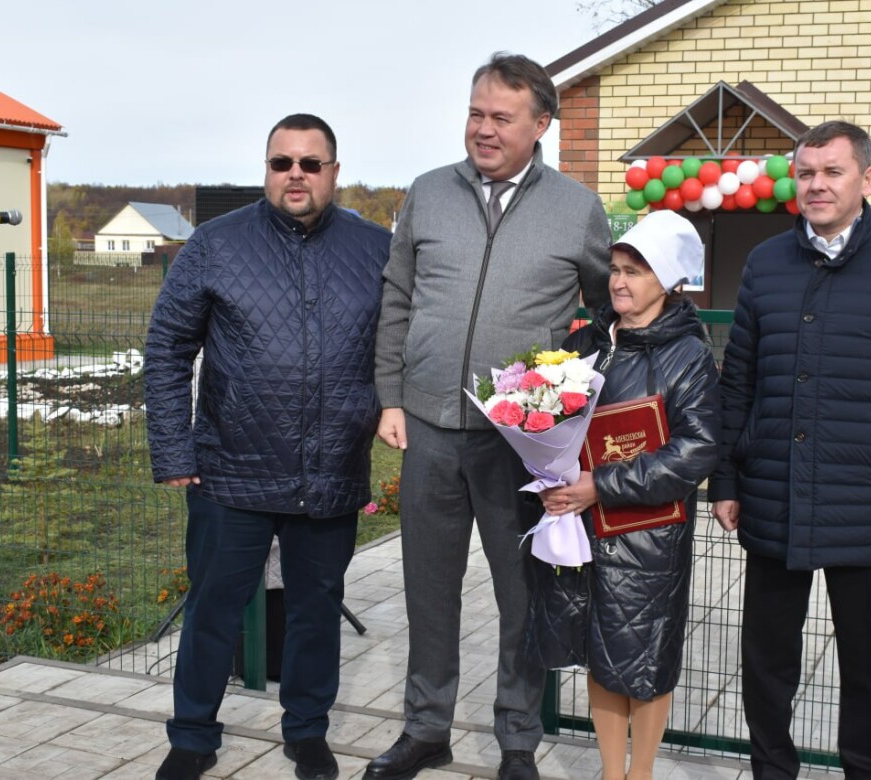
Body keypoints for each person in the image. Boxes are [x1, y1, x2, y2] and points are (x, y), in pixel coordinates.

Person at [369, 52, 611, 780]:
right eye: (476, 113)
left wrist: (565, 393)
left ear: (541, 125)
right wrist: (390, 395)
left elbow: (608, 309)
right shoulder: (428, 193)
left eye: (501, 118)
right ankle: (425, 729)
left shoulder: (577, 209)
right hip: (428, 427)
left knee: (522, 595)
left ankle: (517, 740)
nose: (483, 129)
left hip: (521, 445)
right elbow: (397, 297)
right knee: (429, 590)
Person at [708, 120, 871, 779]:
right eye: (806, 173)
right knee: (766, 662)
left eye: (832, 171)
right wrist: (726, 481)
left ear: (866, 179)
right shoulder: (766, 264)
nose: (817, 185)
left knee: (868, 668)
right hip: (774, 496)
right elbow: (738, 382)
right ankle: (771, 769)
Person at [144, 114, 391, 780]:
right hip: (230, 470)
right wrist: (174, 451)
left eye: (310, 163)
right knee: (212, 609)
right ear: (267, 170)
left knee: (316, 611)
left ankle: (307, 731)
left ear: (334, 172)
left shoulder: (377, 249)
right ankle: (193, 736)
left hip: (331, 470)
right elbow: (168, 346)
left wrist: (389, 410)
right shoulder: (216, 244)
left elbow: (403, 343)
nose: (295, 175)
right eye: (282, 163)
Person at [529, 210, 721, 780]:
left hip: (648, 537)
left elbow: (696, 450)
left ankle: (641, 774)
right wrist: (550, 475)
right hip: (582, 528)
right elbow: (551, 421)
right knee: (600, 655)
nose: (618, 282)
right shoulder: (585, 343)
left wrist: (602, 485)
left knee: (645, 662)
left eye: (634, 271)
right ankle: (612, 773)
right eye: (615, 269)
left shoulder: (688, 354)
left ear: (668, 280)